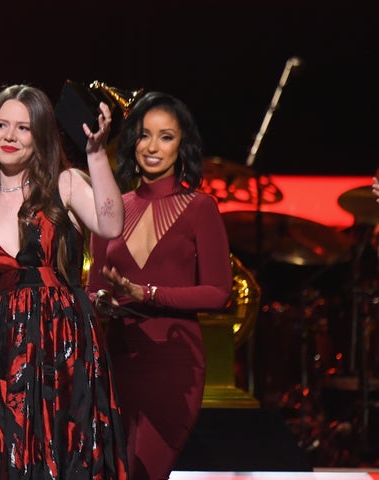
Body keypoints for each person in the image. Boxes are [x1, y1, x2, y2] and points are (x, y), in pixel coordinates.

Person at [0, 84, 128, 479]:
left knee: (73, 456)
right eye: (1, 125)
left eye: (23, 128)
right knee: (11, 460)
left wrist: (97, 156)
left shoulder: (64, 184)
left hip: (67, 343)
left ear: (42, 136)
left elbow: (112, 224)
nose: (9, 136)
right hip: (7, 350)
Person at [85, 91, 233, 480]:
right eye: (144, 135)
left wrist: (146, 293)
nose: (152, 147)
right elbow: (94, 287)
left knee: (143, 471)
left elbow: (219, 292)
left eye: (166, 136)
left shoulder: (200, 208)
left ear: (183, 146)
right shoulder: (111, 206)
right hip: (118, 362)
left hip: (175, 366)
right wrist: (102, 300)